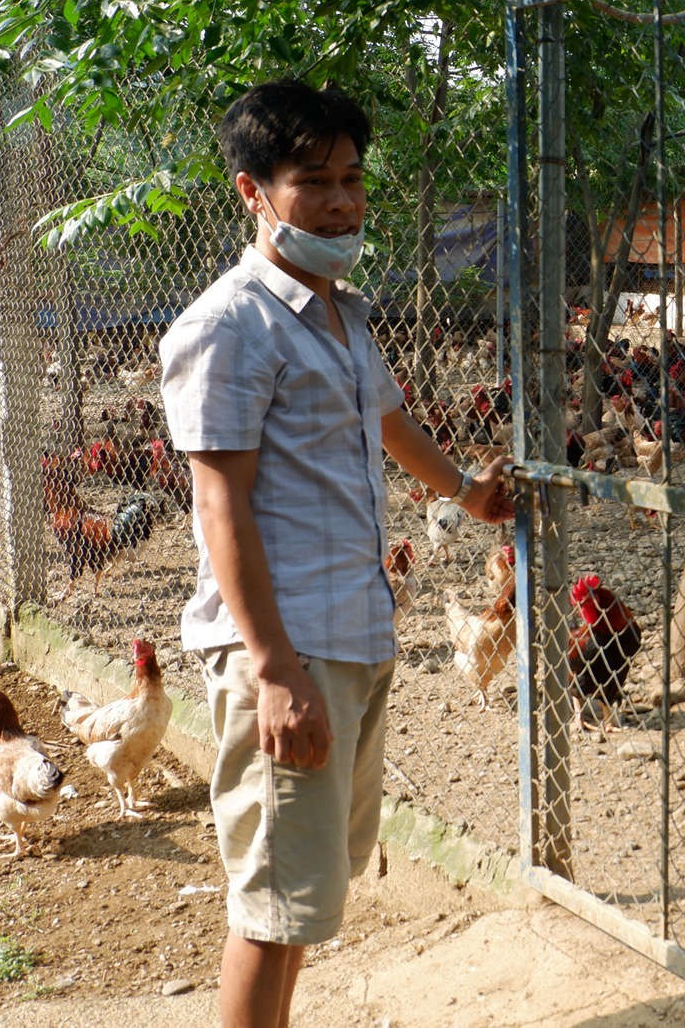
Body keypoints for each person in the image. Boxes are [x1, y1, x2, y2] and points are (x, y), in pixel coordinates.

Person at [160, 80, 515, 1028]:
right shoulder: (228, 324)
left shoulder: (345, 314)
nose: (342, 200)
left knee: (303, 898)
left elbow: (389, 422)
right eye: (312, 179)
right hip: (288, 647)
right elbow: (218, 501)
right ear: (252, 192)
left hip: (351, 633)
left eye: (352, 177)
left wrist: (466, 492)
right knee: (270, 908)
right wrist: (273, 667)